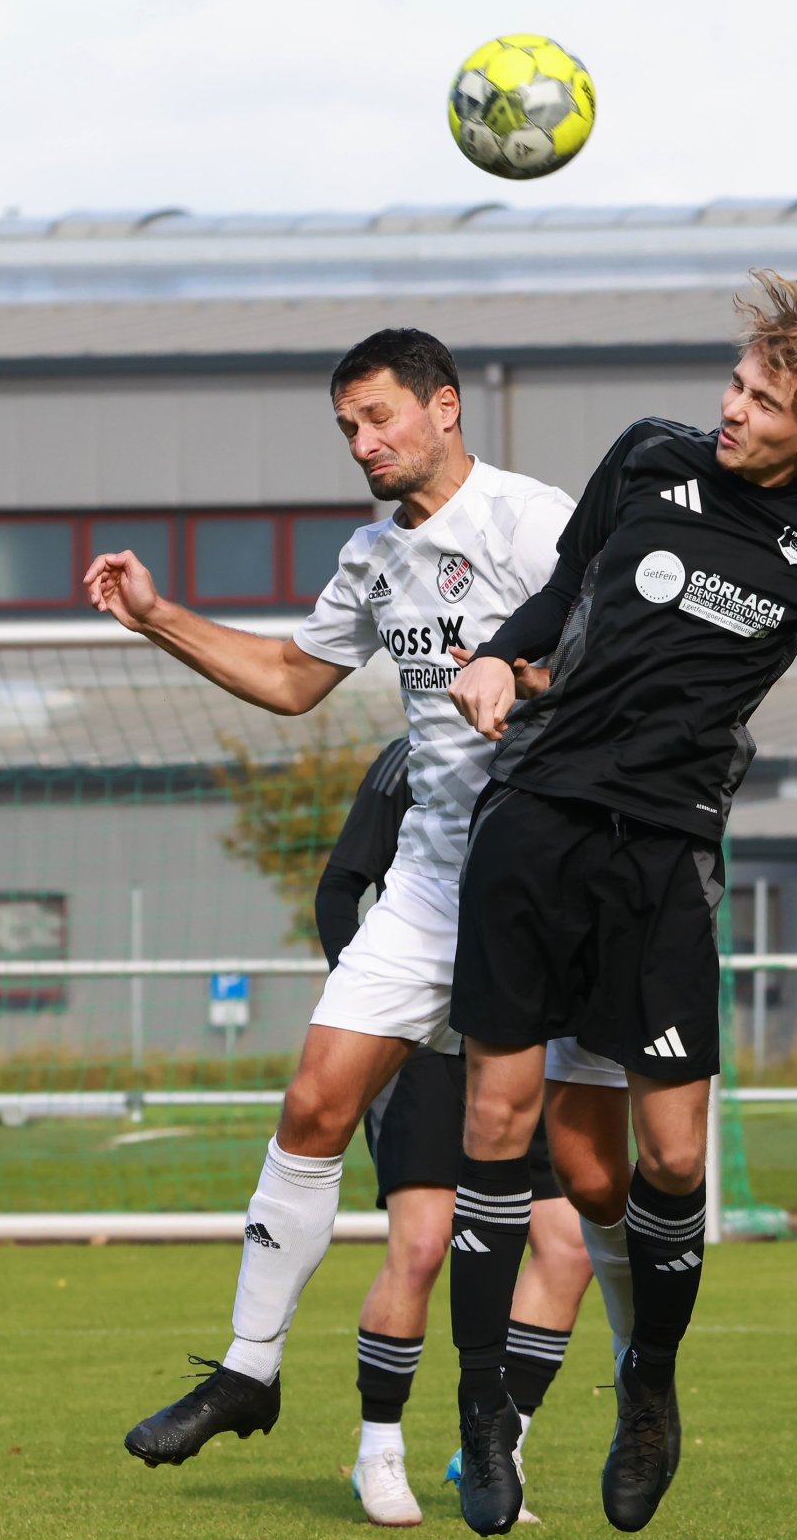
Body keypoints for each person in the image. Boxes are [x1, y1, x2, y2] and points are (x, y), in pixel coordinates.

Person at [446, 271, 797, 1538]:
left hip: (663, 859)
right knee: (500, 1122)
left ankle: (648, 1389)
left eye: (762, 400)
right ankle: (481, 1414)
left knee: (669, 1158)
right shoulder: (646, 459)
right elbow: (557, 599)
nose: (730, 410)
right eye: (733, 382)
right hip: (537, 816)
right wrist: (501, 655)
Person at [84, 327, 581, 1472]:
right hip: (428, 882)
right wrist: (158, 616)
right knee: (313, 1103)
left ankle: (561, 1411)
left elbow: (620, 658)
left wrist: (524, 671)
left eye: (378, 418)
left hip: (551, 883)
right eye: (347, 428)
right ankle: (248, 1370)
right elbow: (293, 683)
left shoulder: (532, 520)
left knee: (588, 1186)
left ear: (443, 406)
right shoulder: (370, 556)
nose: (362, 443)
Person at [314, 735, 595, 1527]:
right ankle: (379, 1451)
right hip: (425, 1048)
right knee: (424, 1245)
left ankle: (493, 1448)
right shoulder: (412, 755)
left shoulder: (567, 751)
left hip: (518, 1041)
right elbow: (339, 891)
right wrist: (380, 1019)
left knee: (569, 1244)